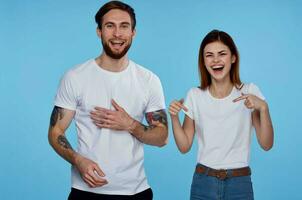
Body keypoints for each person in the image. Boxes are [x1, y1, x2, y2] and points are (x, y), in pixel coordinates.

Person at [48, 1, 168, 199]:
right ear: (99, 32)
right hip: (86, 192)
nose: (117, 34)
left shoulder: (149, 80)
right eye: (110, 26)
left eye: (124, 26)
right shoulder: (75, 76)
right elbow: (55, 131)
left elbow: (162, 137)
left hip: (136, 192)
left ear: (133, 33)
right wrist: (78, 160)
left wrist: (130, 124)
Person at [169, 30, 274, 200]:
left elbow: (267, 144)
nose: (216, 60)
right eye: (209, 55)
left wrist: (263, 108)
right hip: (203, 183)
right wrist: (174, 117)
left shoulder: (249, 92)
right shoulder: (195, 95)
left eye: (222, 54)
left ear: (233, 57)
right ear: (203, 61)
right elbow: (184, 146)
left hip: (240, 184)